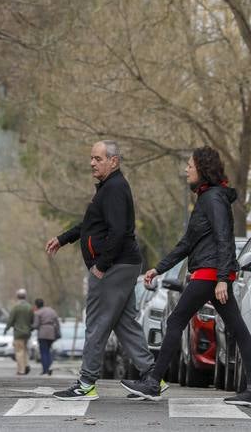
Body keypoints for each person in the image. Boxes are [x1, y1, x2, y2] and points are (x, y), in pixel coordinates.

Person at [121, 146, 251, 407]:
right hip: (211, 274)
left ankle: (153, 381)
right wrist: (159, 268)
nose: (186, 169)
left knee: (176, 319)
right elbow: (187, 243)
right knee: (237, 329)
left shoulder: (213, 199)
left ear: (202, 168)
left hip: (210, 274)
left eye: (190, 165)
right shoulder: (207, 198)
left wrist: (224, 277)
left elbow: (224, 239)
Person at [45, 140, 159, 401]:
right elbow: (90, 225)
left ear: (114, 161)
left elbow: (118, 232)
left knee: (96, 323)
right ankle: (153, 377)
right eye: (92, 158)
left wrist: (101, 266)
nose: (92, 163)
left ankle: (86, 383)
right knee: (125, 324)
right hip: (123, 264)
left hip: (114, 267)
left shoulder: (115, 188)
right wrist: (63, 238)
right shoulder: (109, 188)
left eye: (98, 158)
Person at [4, 288, 33, 376]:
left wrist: (7, 328)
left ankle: (21, 370)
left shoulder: (16, 307)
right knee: (25, 350)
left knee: (19, 351)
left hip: (18, 333)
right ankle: (26, 364)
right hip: (27, 332)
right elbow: (32, 319)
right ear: (25, 296)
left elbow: (11, 320)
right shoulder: (29, 307)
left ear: (17, 297)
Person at [33, 298, 60, 376]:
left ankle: (45, 370)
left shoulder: (38, 313)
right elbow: (57, 323)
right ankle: (49, 367)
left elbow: (36, 325)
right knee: (48, 350)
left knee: (43, 351)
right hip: (51, 333)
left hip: (42, 333)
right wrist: (57, 332)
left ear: (36, 305)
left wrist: (31, 327)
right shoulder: (52, 311)